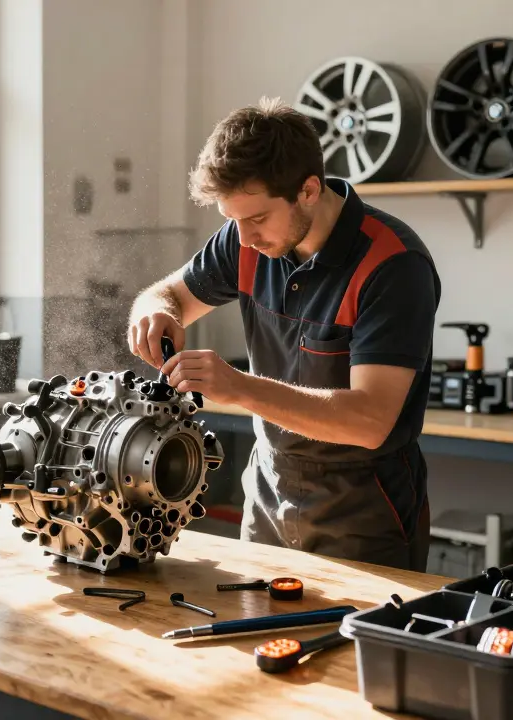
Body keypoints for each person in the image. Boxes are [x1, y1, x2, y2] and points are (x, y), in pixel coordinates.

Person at [127, 98, 441, 571]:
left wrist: (236, 386)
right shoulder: (244, 239)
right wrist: (154, 311)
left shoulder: (393, 265)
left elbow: (370, 421)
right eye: (232, 220)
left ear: (309, 190)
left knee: (348, 644)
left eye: (256, 218)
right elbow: (167, 294)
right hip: (268, 490)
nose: (245, 238)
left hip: (363, 508)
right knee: (259, 636)